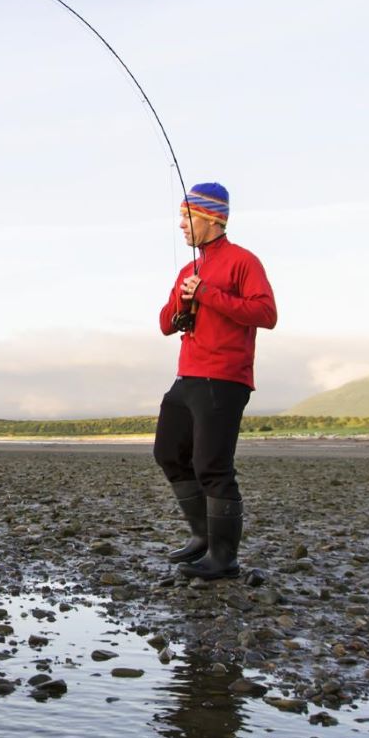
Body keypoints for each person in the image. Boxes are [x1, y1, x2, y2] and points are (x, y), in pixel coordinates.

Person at [155, 182, 277, 580]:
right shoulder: (187, 268)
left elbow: (266, 313)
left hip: (225, 378)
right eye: (181, 216)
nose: (181, 225)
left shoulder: (243, 262)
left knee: (212, 465)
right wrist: (184, 303)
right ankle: (201, 537)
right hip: (187, 375)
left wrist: (207, 294)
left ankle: (224, 559)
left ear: (213, 218)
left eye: (187, 217)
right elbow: (164, 325)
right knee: (169, 452)